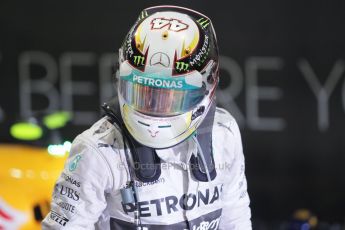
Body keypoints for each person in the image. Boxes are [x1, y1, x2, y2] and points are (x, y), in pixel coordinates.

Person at [42, 5, 251, 230]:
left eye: (171, 96)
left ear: (207, 85)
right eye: (143, 92)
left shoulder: (224, 133)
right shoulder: (98, 150)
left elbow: (235, 219)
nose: (154, 106)